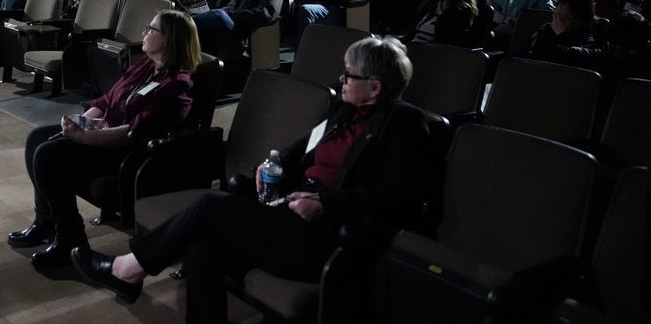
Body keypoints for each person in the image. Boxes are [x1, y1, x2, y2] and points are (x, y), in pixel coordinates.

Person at [70, 36, 431, 321]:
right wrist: (270, 162)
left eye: (349, 74)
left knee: (211, 205)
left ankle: (128, 268)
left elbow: (397, 196)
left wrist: (326, 203)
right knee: (201, 249)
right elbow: (301, 147)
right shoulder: (345, 109)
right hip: (289, 212)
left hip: (328, 235)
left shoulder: (404, 124)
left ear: (376, 86)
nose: (341, 79)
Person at [8, 10, 201, 269]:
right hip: (102, 133)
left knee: (47, 155)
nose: (144, 32)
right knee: (37, 137)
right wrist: (82, 120)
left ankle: (71, 240)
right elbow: (108, 100)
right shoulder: (146, 65)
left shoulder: (177, 86)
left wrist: (85, 137)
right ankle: (46, 221)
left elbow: (134, 133)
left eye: (151, 29)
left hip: (125, 153)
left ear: (170, 40)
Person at [529, 0, 602, 70]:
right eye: (557, 15)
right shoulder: (547, 29)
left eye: (566, 18)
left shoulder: (590, 36)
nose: (559, 21)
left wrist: (562, 35)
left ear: (582, 20)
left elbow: (577, 61)